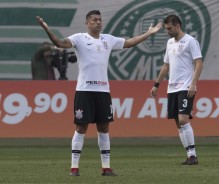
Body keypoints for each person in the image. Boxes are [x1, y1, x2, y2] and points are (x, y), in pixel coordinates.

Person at [36, 10, 162, 176]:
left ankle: (106, 167)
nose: (98, 22)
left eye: (99, 20)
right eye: (94, 20)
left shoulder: (108, 40)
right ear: (87, 23)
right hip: (84, 90)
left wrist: (148, 33)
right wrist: (46, 29)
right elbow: (60, 43)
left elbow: (130, 42)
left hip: (103, 91)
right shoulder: (79, 38)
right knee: (81, 127)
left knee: (104, 128)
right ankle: (74, 168)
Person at [150, 14, 203, 165]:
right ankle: (189, 155)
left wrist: (193, 83)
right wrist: (156, 84)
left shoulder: (190, 41)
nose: (167, 31)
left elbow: (199, 63)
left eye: (169, 28)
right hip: (172, 88)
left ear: (177, 26)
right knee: (178, 123)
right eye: (166, 28)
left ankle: (193, 155)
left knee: (183, 119)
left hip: (186, 86)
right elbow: (166, 65)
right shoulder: (169, 43)